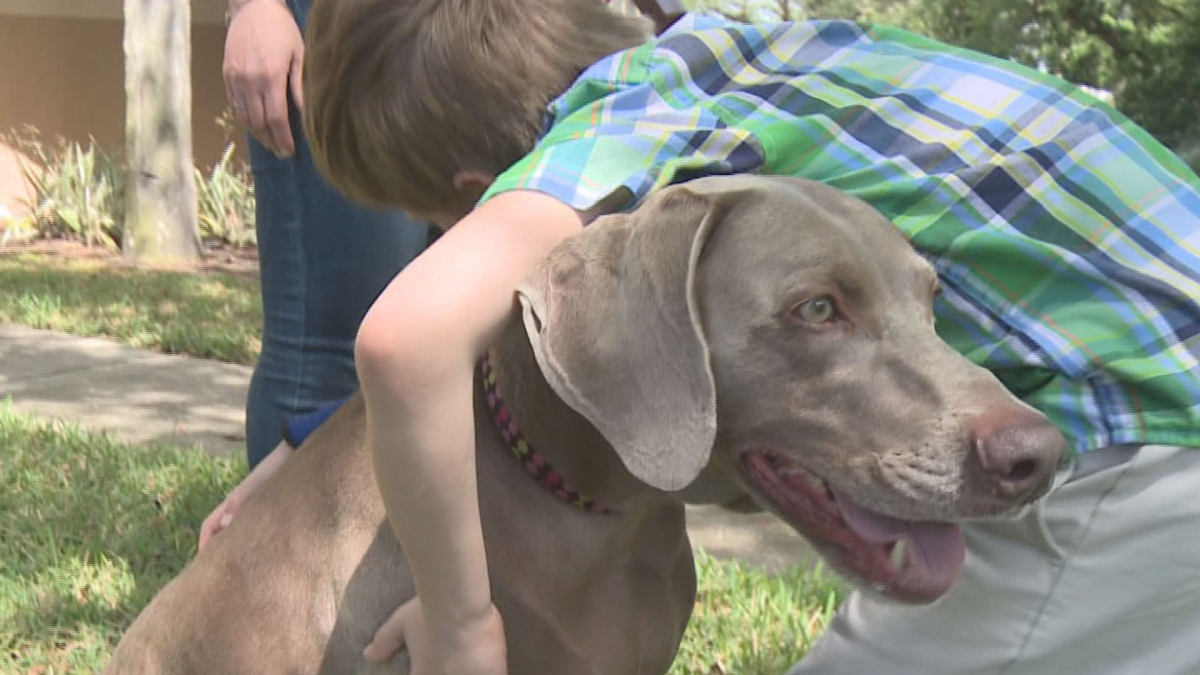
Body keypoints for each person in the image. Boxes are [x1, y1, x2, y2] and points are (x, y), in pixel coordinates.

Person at [296, 1, 1200, 674]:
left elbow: (408, 342)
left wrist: (461, 629)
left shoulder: (601, 136)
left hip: (1144, 440)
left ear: (482, 191)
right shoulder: (738, 48)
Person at [221, 0, 431, 473]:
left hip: (488, 29)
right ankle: (280, 546)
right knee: (330, 358)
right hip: (346, 22)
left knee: (459, 350)